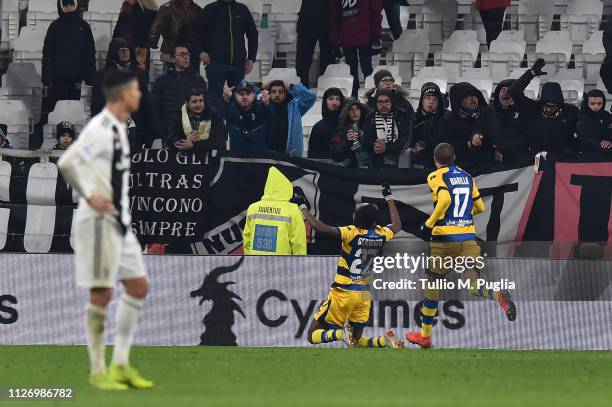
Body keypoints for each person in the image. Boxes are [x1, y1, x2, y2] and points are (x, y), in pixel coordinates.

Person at [57, 70, 153, 390]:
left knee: (138, 286)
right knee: (103, 292)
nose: (139, 96)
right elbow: (68, 162)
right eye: (135, 91)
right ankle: (98, 370)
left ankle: (121, 363)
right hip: (98, 222)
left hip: (119, 223)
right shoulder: (99, 129)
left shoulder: (119, 129)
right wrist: (91, 195)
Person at [405, 143, 516, 349]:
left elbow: (445, 198)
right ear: (454, 157)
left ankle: (425, 336)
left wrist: (429, 223)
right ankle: (497, 294)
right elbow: (480, 207)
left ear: (435, 160)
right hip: (467, 237)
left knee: (432, 284)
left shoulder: (435, 175)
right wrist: (462, 217)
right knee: (473, 285)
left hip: (444, 239)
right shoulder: (467, 176)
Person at [298, 182, 404, 348]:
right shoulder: (381, 234)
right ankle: (384, 340)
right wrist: (389, 198)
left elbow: (320, 227)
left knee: (312, 335)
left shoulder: (351, 232)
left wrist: (303, 208)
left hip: (343, 293)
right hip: (364, 296)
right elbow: (397, 225)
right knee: (354, 340)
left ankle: (341, 333)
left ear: (357, 219)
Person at [192, 0, 259, 110]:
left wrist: (251, 58)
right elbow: (194, 31)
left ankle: (236, 126)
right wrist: (200, 51)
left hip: (238, 64)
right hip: (216, 63)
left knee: (239, 100)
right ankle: (216, 126)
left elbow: (253, 34)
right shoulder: (210, 9)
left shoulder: (242, 9)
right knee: (215, 101)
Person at [509, 59, 579, 158]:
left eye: (553, 108)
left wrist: (573, 149)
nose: (549, 110)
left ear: (560, 106)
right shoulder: (533, 108)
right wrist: (531, 73)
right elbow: (513, 91)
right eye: (546, 107)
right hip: (535, 160)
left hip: (562, 159)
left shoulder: (571, 112)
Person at [42, 0, 96, 113]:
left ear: (75, 5)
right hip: (58, 78)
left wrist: (90, 76)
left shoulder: (84, 26)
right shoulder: (54, 27)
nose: (69, 8)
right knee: (57, 109)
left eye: (71, 4)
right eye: (66, 5)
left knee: (74, 108)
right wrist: (47, 77)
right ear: (61, 6)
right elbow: (48, 54)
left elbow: (90, 53)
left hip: (77, 77)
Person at [242, 166, 307, 255]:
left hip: (256, 264)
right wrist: (298, 266)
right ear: (286, 187)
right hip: (281, 265)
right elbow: (299, 243)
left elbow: (247, 239)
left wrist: (250, 260)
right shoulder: (292, 209)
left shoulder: (253, 208)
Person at [151, 44, 207, 144]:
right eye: (182, 54)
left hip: (193, 131)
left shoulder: (198, 80)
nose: (186, 57)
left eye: (187, 54)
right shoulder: (162, 81)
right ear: (173, 59)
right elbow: (155, 107)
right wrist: (160, 129)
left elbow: (206, 106)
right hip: (168, 132)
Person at [329, 0, 383, 97]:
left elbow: (376, 11)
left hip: (362, 34)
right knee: (354, 69)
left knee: (365, 67)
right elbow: (334, 15)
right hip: (349, 35)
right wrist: (335, 39)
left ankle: (371, 95)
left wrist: (376, 34)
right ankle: (356, 96)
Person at [434, 82, 491, 171]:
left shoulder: (486, 115)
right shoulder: (447, 121)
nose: (472, 99)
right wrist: (466, 145)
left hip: (486, 165)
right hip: (460, 167)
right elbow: (441, 146)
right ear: (458, 100)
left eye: (474, 95)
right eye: (467, 97)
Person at [472, 79, 529, 164]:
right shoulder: (489, 110)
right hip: (491, 155)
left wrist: (502, 149)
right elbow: (479, 127)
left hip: (517, 157)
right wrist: (477, 135)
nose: (506, 94)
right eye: (503, 90)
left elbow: (525, 139)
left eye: (509, 91)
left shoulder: (524, 111)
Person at [168, 88, 227, 155]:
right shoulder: (178, 115)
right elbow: (171, 140)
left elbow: (220, 142)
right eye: (194, 101)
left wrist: (194, 145)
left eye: (201, 101)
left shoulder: (214, 116)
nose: (198, 105)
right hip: (184, 160)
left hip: (209, 161)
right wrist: (187, 140)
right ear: (187, 103)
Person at [265, 80, 316, 157]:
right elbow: (247, 94)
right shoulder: (263, 107)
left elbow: (311, 97)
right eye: (273, 91)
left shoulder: (295, 107)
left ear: (285, 94)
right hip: (267, 154)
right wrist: (262, 86)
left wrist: (292, 86)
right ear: (269, 93)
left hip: (289, 155)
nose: (277, 95)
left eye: (281, 92)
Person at [363, 89, 411, 169]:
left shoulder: (402, 116)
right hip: (375, 161)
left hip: (399, 162)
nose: (383, 105)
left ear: (392, 102)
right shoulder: (370, 117)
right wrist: (376, 146)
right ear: (376, 103)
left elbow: (406, 140)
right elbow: (366, 140)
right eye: (380, 102)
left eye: (387, 101)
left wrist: (387, 147)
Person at [112, 0, 158, 81]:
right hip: (125, 53)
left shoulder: (149, 12)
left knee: (139, 83)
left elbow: (150, 35)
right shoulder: (125, 11)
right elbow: (117, 33)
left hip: (140, 53)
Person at [149, 0, 201, 69]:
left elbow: (203, 28)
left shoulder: (196, 9)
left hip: (191, 51)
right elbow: (157, 25)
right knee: (169, 75)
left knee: (193, 76)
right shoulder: (167, 8)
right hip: (170, 50)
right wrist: (153, 38)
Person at [222, 81, 271, 154]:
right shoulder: (230, 109)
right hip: (237, 159)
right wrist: (225, 99)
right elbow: (219, 113)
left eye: (248, 94)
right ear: (235, 95)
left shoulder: (262, 108)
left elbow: (272, 116)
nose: (244, 97)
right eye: (241, 94)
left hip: (259, 158)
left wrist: (267, 104)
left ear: (254, 95)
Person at [296, 0, 334, 86]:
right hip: (324, 21)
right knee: (304, 62)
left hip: (309, 20)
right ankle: (326, 89)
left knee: (304, 61)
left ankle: (304, 89)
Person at [411, 82, 447, 169]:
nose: (431, 102)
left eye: (434, 99)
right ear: (422, 101)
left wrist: (426, 147)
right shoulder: (413, 117)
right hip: (416, 161)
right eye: (428, 98)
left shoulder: (445, 118)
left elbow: (446, 142)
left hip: (437, 161)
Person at [308, 88, 346, 159]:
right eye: (331, 99)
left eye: (337, 99)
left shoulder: (347, 125)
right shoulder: (318, 127)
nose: (334, 103)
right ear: (325, 102)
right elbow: (312, 155)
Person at [576, 89, 612, 160]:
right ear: (587, 103)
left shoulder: (606, 116)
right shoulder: (582, 119)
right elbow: (590, 141)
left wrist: (611, 142)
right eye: (592, 103)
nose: (596, 107)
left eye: (599, 103)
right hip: (589, 154)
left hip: (606, 150)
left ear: (603, 103)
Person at [338, 97, 371, 167]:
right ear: (346, 112)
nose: (354, 112)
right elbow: (337, 155)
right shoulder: (339, 131)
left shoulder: (370, 127)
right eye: (350, 110)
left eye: (357, 108)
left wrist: (363, 137)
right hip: (349, 170)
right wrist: (347, 141)